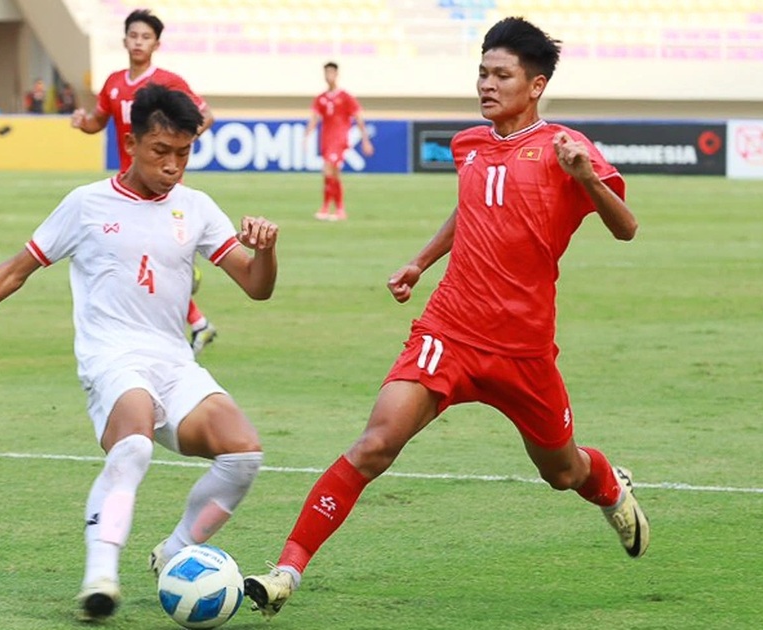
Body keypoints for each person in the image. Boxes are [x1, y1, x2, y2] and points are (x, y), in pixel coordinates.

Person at [243, 17, 649, 620]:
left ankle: (611, 488)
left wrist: (587, 178)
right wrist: (420, 262)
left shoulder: (568, 148)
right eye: (482, 72)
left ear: (534, 85)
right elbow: (473, 211)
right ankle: (285, 571)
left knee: (562, 472)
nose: (486, 84)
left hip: (523, 351)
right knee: (374, 445)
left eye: (501, 75)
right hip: (449, 333)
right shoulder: (469, 145)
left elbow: (626, 227)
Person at [0, 83, 280, 623]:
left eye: (184, 154)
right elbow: (15, 270)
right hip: (112, 361)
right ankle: (100, 577)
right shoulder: (87, 204)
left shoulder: (196, 208)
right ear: (130, 141)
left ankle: (174, 550)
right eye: (160, 152)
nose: (173, 166)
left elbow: (257, 287)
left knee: (244, 453)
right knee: (135, 445)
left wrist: (267, 251)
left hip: (174, 363)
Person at [71, 8, 219, 355]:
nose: (138, 42)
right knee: (132, 261)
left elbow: (205, 115)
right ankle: (196, 323)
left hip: (158, 190)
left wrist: (173, 150)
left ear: (156, 44)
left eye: (145, 37)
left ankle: (185, 308)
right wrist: (82, 121)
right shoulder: (113, 83)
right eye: (134, 36)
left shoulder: (168, 82)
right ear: (125, 41)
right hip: (125, 189)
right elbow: (98, 122)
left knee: (144, 261)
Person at [307, 61, 374, 222]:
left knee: (328, 170)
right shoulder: (321, 98)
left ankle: (327, 208)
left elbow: (358, 117)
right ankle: (338, 209)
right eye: (326, 73)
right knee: (334, 173)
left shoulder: (345, 97)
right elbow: (314, 118)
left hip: (339, 139)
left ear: (336, 74)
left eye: (331, 73)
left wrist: (365, 140)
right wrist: (307, 135)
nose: (328, 76)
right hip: (326, 139)